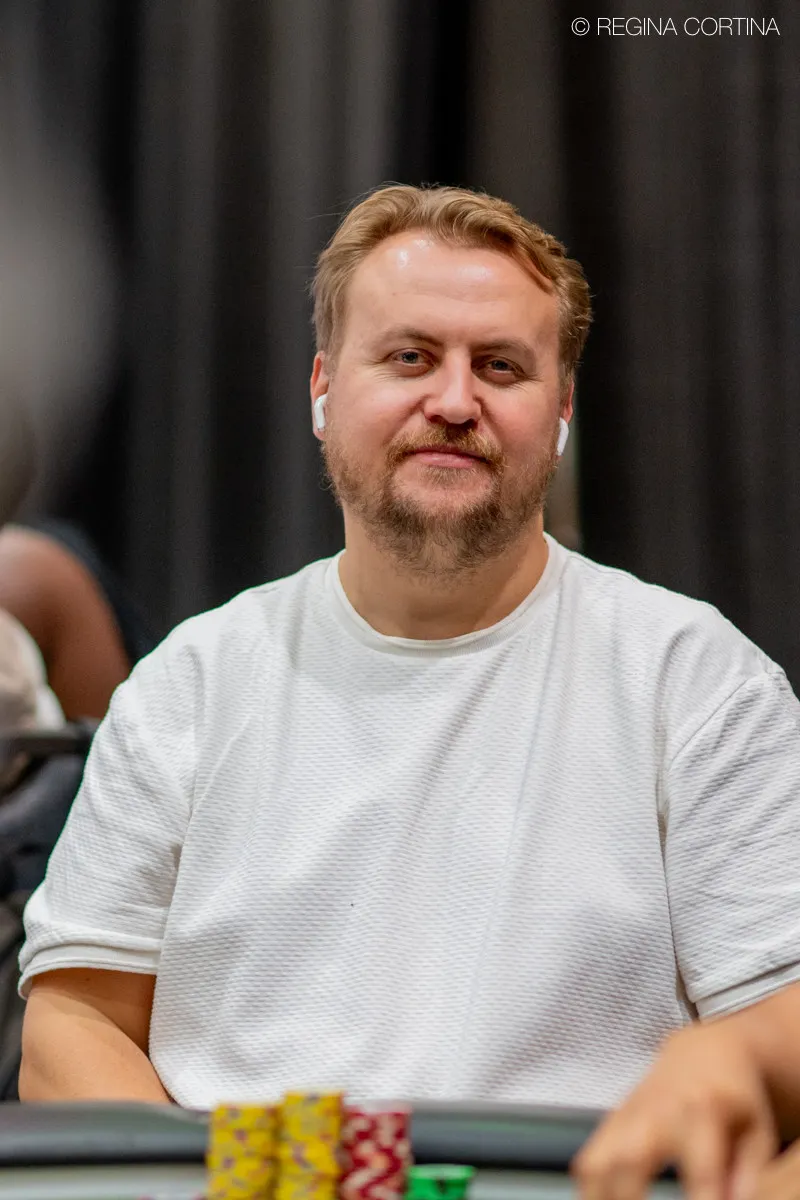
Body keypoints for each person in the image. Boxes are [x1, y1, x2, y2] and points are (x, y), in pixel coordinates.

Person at [17, 185, 800, 1200]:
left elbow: (782, 1022)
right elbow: (74, 1023)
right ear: (322, 388)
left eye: (501, 366)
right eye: (409, 357)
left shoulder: (696, 683)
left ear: (561, 411)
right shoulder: (192, 683)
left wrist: (737, 1070)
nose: (455, 401)